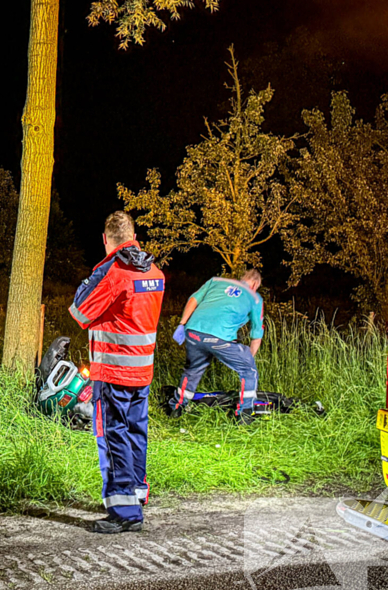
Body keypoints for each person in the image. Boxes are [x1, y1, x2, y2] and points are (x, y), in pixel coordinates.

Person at [68, 211, 165, 534]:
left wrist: (102, 268)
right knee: (136, 431)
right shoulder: (153, 270)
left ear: (105, 239)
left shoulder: (114, 272)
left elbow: (79, 310)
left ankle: (124, 511)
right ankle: (136, 493)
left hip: (113, 371)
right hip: (143, 370)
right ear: (134, 236)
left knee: (112, 435)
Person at [168, 269, 264, 423]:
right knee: (248, 370)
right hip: (220, 339)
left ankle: (177, 408)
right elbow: (257, 333)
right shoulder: (255, 297)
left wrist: (182, 324)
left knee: (192, 370)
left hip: (193, 332)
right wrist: (249, 359)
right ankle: (245, 415)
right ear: (255, 284)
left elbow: (193, 299)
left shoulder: (215, 281)